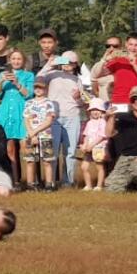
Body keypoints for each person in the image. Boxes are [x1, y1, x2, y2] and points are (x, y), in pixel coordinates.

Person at [38, 51, 84, 186]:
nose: (68, 65)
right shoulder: (52, 75)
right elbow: (38, 79)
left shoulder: (77, 80)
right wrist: (49, 64)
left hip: (72, 116)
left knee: (70, 152)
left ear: (75, 64)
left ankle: (67, 181)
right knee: (53, 150)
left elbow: (82, 103)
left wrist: (78, 98)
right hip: (53, 118)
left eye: (71, 62)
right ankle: (50, 180)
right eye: (65, 61)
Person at [0, 49, 33, 180]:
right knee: (10, 150)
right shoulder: (2, 74)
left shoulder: (29, 75)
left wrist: (16, 83)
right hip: (5, 113)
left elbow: (29, 95)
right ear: (9, 60)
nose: (16, 61)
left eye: (19, 59)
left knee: (26, 148)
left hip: (21, 113)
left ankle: (31, 181)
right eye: (13, 59)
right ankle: (15, 180)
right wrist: (0, 82)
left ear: (23, 61)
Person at [95, 33, 137, 111]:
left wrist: (134, 64)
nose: (133, 48)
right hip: (118, 102)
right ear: (126, 44)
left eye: (136, 45)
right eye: (131, 44)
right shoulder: (117, 61)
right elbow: (98, 74)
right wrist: (103, 60)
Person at [22, 79, 58, 191]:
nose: (38, 90)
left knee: (47, 161)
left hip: (45, 136)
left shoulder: (49, 103)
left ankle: (49, 184)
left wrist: (35, 132)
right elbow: (26, 119)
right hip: (30, 136)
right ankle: (30, 184)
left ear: (45, 89)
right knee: (30, 161)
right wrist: (31, 135)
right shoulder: (29, 103)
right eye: (36, 87)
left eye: (41, 87)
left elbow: (49, 121)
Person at [80, 99, 110, 191]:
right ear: (89, 112)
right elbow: (86, 135)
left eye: (97, 110)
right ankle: (88, 185)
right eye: (93, 110)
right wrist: (85, 144)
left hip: (99, 147)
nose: (95, 112)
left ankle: (99, 186)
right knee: (84, 167)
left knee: (99, 166)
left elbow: (102, 136)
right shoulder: (89, 123)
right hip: (89, 148)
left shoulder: (102, 122)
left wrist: (91, 145)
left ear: (101, 112)